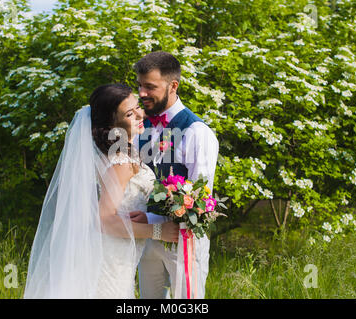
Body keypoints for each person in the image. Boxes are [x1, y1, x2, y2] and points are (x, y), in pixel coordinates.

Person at [23, 84, 179, 299]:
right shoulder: (121, 162)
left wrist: (145, 217)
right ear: (112, 123)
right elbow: (103, 220)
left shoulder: (117, 154)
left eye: (137, 107)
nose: (139, 115)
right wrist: (159, 231)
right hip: (110, 255)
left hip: (118, 251)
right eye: (129, 113)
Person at [132, 51, 219, 299]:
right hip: (145, 239)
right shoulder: (139, 126)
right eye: (139, 86)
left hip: (182, 240)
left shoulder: (197, 132)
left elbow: (201, 198)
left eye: (150, 86)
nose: (142, 93)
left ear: (173, 86)